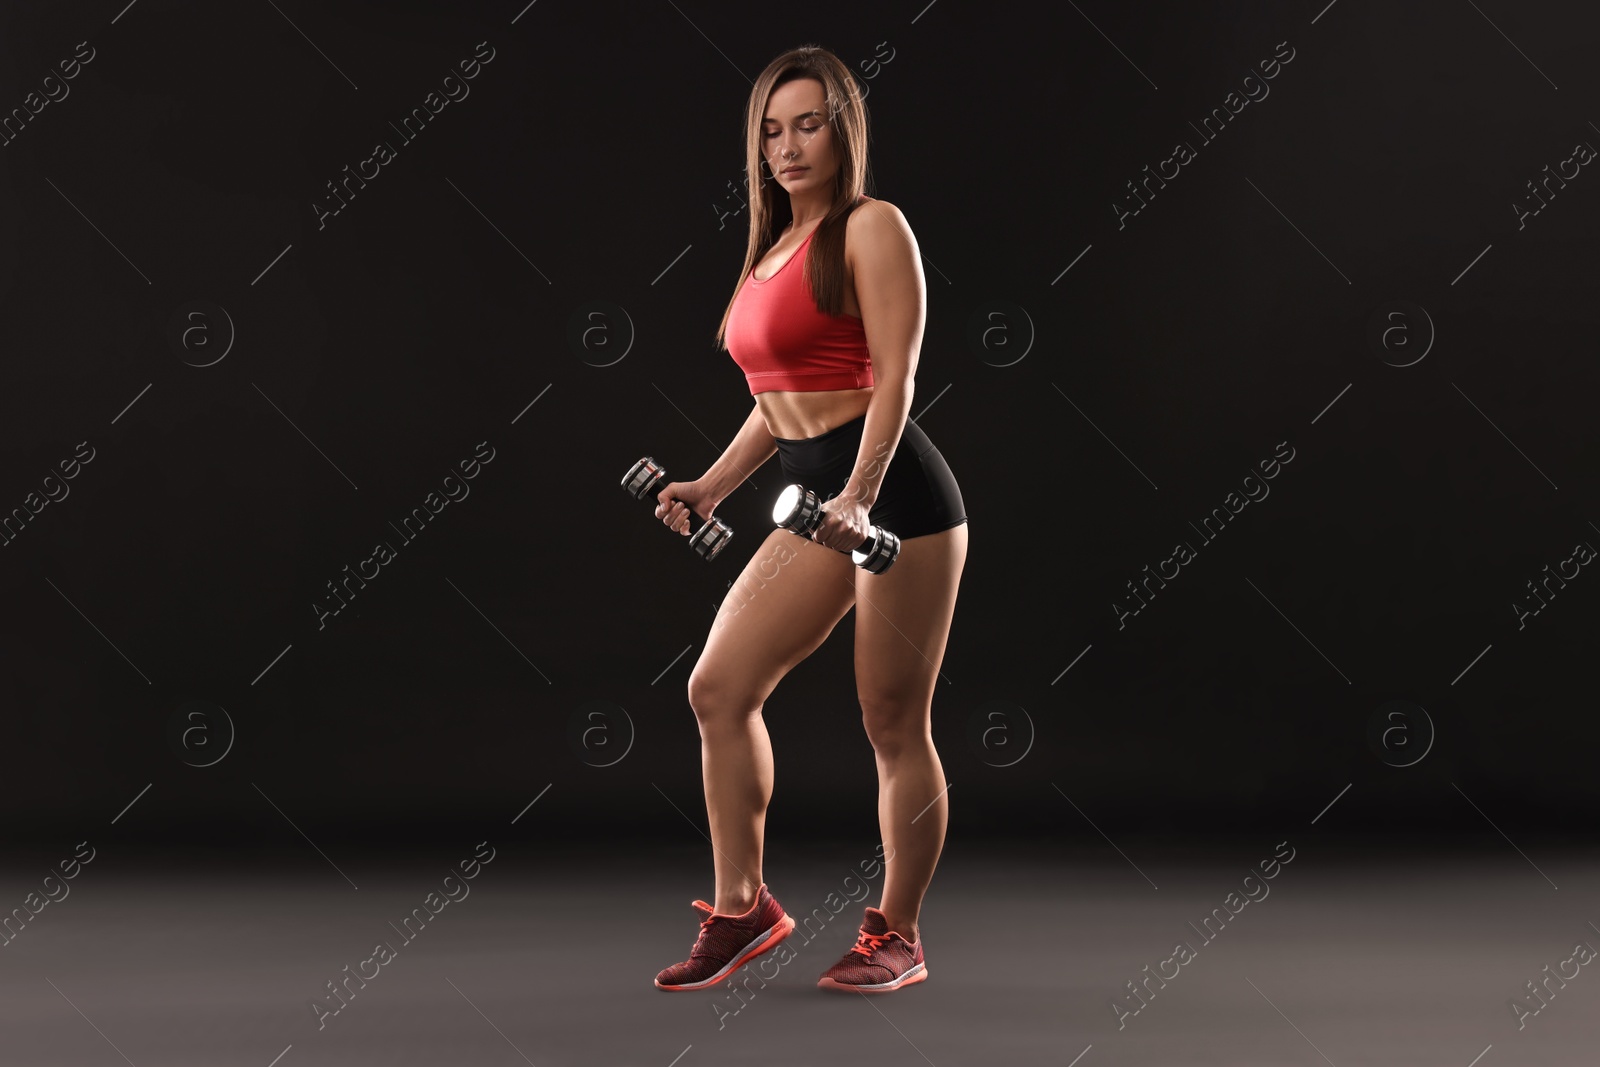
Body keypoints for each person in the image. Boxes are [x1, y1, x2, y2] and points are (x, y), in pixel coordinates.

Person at [652, 44, 968, 996]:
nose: (788, 146)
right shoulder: (770, 249)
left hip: (895, 500)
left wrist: (863, 493)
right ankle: (744, 909)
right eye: (772, 129)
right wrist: (709, 484)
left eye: (809, 123)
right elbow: (777, 395)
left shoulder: (873, 228)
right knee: (718, 688)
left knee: (890, 720)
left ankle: (897, 934)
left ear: (844, 130)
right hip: (813, 496)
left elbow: (895, 375)